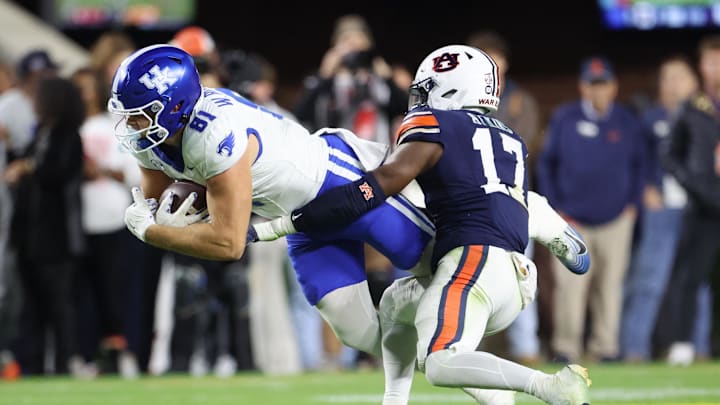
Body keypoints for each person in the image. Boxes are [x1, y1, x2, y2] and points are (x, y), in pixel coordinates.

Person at [271, 44, 591, 405]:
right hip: (515, 277)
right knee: (394, 303)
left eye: (426, 91)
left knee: (439, 361)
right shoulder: (510, 137)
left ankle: (549, 387)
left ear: (451, 88)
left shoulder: (435, 123)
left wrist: (293, 220)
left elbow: (387, 181)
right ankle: (397, 400)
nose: (420, 100)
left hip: (473, 261)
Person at [107, 44, 434, 361]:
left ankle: (447, 321)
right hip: (302, 222)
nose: (133, 124)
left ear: (176, 106)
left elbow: (228, 243)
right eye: (129, 115)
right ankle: (441, 359)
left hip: (339, 184)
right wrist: (164, 219)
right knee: (359, 333)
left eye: (143, 114)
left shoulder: (213, 133)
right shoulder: (151, 139)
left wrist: (153, 233)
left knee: (444, 265)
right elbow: (155, 204)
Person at [536, 55, 646, 363]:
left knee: (609, 286)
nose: (598, 91)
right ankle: (566, 348)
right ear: (582, 87)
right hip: (573, 219)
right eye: (592, 84)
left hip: (616, 219)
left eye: (603, 84)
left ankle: (605, 347)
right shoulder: (564, 118)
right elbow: (546, 165)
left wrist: (632, 206)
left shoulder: (626, 120)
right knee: (570, 286)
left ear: (613, 86)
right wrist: (555, 208)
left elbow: (641, 165)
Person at [620, 55, 699, 362]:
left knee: (696, 283)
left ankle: (696, 346)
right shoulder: (650, 120)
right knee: (649, 279)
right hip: (661, 208)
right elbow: (635, 161)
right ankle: (634, 347)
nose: (673, 84)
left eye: (679, 76)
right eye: (666, 78)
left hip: (696, 209)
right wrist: (644, 188)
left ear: (692, 82)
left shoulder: (705, 118)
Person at [660, 34, 720, 366]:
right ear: (702, 65)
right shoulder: (693, 107)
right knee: (690, 277)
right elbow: (669, 155)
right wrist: (693, 184)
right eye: (711, 61)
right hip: (703, 206)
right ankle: (682, 343)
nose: (716, 67)